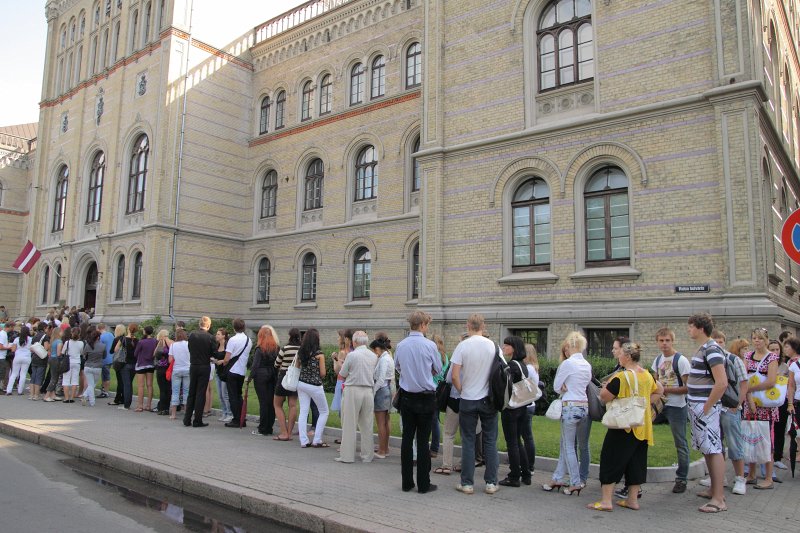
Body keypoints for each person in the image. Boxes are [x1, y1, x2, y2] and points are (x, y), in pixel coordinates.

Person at [588, 342, 661, 512]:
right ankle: (632, 500)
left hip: (623, 425)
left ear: (627, 357)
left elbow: (604, 397)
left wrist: (606, 387)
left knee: (611, 459)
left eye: (620, 354)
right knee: (636, 462)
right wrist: (643, 404)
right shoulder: (647, 375)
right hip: (642, 425)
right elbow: (658, 391)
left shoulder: (622, 377)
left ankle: (606, 501)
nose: (618, 357)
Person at [686, 312, 729, 513]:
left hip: (706, 408)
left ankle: (719, 499)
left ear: (700, 328)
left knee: (713, 449)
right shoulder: (705, 348)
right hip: (699, 407)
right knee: (707, 450)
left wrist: (706, 407)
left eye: (691, 326)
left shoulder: (711, 349)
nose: (689, 329)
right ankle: (714, 489)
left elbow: (721, 383)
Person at [698, 330, 749, 495]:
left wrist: (738, 403)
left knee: (734, 442)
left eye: (721, 342)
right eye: (715, 342)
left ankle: (740, 478)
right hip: (714, 407)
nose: (717, 345)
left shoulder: (733, 359)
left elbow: (743, 384)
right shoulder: (707, 358)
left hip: (729, 407)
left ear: (724, 343)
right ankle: (718, 479)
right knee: (715, 443)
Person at [395, 311, 441, 493]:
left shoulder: (401, 345)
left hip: (407, 396)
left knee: (407, 439)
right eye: (427, 324)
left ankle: (407, 482)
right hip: (425, 396)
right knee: (423, 441)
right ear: (422, 325)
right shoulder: (430, 346)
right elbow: (437, 369)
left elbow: (397, 366)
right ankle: (423, 483)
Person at [452, 313, 498, 495]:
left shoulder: (462, 346)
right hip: (488, 399)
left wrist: (462, 389)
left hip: (468, 398)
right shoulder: (493, 346)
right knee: (490, 441)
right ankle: (491, 483)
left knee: (468, 441)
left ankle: (467, 483)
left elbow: (455, 374)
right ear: (483, 326)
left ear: (467, 325)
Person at [544, 331, 592, 495]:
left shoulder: (568, 364)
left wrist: (564, 386)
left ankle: (575, 481)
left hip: (570, 405)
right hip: (584, 406)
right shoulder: (586, 364)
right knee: (566, 444)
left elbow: (557, 386)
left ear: (570, 345)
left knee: (569, 446)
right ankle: (557, 477)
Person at [649, 327, 691, 493]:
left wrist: (667, 390)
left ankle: (681, 478)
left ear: (672, 341)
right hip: (660, 403)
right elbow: (656, 381)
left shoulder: (681, 360)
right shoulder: (657, 360)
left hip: (677, 405)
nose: (665, 344)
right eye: (661, 340)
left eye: (667, 340)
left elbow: (688, 387)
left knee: (680, 442)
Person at [742, 327, 779, 489]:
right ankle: (751, 473)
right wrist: (747, 395)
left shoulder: (772, 358)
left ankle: (769, 477)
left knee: (765, 439)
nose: (757, 341)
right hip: (749, 403)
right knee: (750, 436)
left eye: (760, 338)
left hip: (765, 404)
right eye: (754, 338)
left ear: (766, 340)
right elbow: (743, 377)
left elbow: (771, 381)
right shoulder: (748, 356)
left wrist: (751, 389)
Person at [336, 331, 377, 462]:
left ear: (354, 342)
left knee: (349, 423)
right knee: (367, 424)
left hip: (353, 389)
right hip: (368, 391)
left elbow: (342, 373)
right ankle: (367, 455)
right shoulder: (373, 356)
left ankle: (347, 456)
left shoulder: (352, 355)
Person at [499, 336, 533, 487]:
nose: (504, 347)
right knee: (518, 441)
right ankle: (525, 474)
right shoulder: (522, 364)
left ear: (514, 348)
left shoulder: (512, 365)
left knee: (512, 442)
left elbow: (505, 384)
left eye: (507, 345)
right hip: (523, 406)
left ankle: (514, 476)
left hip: (512, 407)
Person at [296, 328, 329, 447]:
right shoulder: (319, 354)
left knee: (303, 412)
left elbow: (297, 367)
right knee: (324, 411)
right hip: (315, 385)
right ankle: (317, 439)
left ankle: (303, 441)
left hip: (301, 384)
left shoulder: (301, 352)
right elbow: (323, 373)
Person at [215, 318, 252, 428]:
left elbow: (227, 359)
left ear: (234, 327)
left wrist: (221, 362)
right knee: (238, 395)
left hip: (232, 370)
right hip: (241, 370)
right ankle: (242, 418)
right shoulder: (248, 340)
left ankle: (236, 419)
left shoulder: (233, 340)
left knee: (232, 396)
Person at [184, 316, 217, 427]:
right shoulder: (210, 337)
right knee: (201, 393)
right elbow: (214, 353)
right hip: (204, 366)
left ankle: (187, 419)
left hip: (193, 365)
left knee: (191, 392)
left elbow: (190, 348)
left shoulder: (192, 335)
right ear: (208, 325)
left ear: (199, 324)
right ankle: (197, 420)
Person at [249, 325, 280, 436]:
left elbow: (255, 365)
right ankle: (269, 427)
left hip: (261, 376)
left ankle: (262, 428)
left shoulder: (259, 348)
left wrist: (249, 378)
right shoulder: (276, 347)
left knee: (263, 402)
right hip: (273, 375)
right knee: (271, 402)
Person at [273, 328, 301, 441]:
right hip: (296, 377)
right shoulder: (301, 349)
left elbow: (276, 363)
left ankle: (283, 432)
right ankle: (289, 432)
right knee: (292, 405)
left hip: (284, 376)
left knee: (277, 404)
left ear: (289, 336)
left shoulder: (285, 348)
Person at [371, 334, 394, 458]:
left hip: (382, 390)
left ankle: (382, 450)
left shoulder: (384, 359)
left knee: (381, 422)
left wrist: (373, 392)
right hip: (387, 389)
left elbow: (380, 379)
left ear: (377, 349)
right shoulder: (388, 357)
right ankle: (385, 448)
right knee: (386, 421)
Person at [770, 338, 791, 472]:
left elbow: (789, 384)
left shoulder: (784, 366)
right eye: (772, 349)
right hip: (766, 401)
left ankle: (777, 458)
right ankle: (767, 457)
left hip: (781, 401)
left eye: (777, 349)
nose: (775, 352)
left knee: (780, 429)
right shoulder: (764, 363)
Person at [111, 323, 139, 410]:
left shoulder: (123, 339)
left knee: (126, 384)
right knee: (129, 383)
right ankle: (128, 402)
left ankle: (126, 405)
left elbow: (115, 349)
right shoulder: (137, 340)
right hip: (134, 364)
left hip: (125, 363)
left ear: (128, 329)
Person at [430, 334, 448, 459]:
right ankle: (435, 448)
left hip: (432, 389)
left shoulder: (434, 354)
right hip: (440, 390)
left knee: (432, 421)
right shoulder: (445, 356)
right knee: (435, 420)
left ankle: (433, 449)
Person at [522, 343, 540, 474]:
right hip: (531, 404)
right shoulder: (534, 368)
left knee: (526, 436)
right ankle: (529, 464)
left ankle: (528, 464)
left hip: (525, 404)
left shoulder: (528, 368)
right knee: (528, 436)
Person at [133, 325, 157, 412]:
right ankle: (149, 405)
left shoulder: (141, 342)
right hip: (151, 364)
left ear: (145, 332)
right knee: (150, 385)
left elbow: (135, 353)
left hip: (141, 364)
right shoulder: (155, 341)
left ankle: (140, 405)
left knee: (141, 386)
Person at [330, 329, 353, 417]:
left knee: (342, 411)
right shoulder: (352, 351)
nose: (337, 339)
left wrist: (334, 359)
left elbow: (337, 370)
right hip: (350, 381)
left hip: (341, 382)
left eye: (339, 337)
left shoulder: (342, 352)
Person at [169, 329, 191, 419]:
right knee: (186, 391)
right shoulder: (188, 344)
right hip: (187, 369)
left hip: (177, 369)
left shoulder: (173, 345)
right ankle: (186, 413)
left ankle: (173, 414)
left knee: (175, 391)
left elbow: (170, 360)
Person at [80, 329, 106, 406]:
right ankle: (92, 401)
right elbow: (104, 356)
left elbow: (84, 355)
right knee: (93, 384)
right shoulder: (103, 346)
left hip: (88, 366)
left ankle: (85, 395)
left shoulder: (88, 345)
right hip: (97, 367)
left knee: (91, 384)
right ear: (98, 337)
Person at [5, 325, 33, 396]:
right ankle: (20, 391)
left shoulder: (17, 339)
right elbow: (31, 349)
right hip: (26, 357)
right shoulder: (30, 339)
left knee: (14, 374)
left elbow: (13, 350)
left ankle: (9, 390)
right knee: (23, 374)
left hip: (17, 357)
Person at [60, 327, 84, 403]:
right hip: (77, 362)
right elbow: (81, 353)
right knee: (75, 380)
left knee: (66, 379)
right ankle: (72, 398)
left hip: (68, 361)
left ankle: (66, 398)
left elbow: (63, 352)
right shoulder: (81, 343)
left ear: (71, 333)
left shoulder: (67, 342)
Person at [214, 328, 232, 423]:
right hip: (218, 372)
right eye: (217, 334)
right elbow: (216, 356)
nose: (216, 336)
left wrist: (222, 361)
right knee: (220, 394)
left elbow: (228, 359)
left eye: (218, 334)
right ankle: (224, 412)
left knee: (225, 394)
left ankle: (229, 413)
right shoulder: (217, 346)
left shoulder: (227, 345)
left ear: (223, 336)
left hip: (225, 373)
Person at [786, 336, 800, 459]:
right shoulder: (794, 365)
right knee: (798, 433)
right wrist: (790, 403)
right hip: (798, 402)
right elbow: (791, 386)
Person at [29, 323, 50, 400]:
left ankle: (31, 394)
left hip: (34, 357)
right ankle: (36, 395)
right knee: (39, 376)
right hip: (41, 359)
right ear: (44, 328)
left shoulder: (35, 336)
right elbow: (46, 347)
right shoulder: (45, 336)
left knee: (33, 376)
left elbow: (31, 348)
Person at [153, 329, 173, 415]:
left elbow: (154, 354)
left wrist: (161, 342)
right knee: (167, 389)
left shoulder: (160, 344)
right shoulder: (171, 343)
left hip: (161, 368)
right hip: (168, 368)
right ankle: (166, 408)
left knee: (163, 389)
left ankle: (162, 408)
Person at [108, 324, 128, 406]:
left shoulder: (117, 339)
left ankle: (117, 399)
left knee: (120, 381)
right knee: (124, 381)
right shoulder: (127, 339)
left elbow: (111, 351)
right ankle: (123, 398)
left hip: (119, 361)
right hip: (126, 361)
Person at [43, 326, 62, 402]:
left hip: (51, 358)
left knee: (53, 377)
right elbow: (58, 353)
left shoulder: (53, 341)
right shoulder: (59, 342)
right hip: (56, 359)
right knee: (54, 378)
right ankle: (47, 395)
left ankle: (53, 394)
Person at [98, 323, 115, 399]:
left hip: (105, 358)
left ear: (98, 329)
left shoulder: (101, 337)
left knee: (105, 376)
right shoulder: (111, 335)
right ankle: (103, 389)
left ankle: (105, 391)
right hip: (111, 357)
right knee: (105, 375)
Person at [0, 321, 12, 392]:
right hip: (1, 357)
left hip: (2, 356)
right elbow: (0, 347)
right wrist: (9, 347)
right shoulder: (3, 334)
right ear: (9, 327)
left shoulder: (3, 334)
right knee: (2, 373)